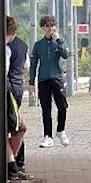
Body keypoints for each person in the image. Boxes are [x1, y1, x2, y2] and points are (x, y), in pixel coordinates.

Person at [28, 15, 71, 148]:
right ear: (42, 28)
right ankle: (48, 136)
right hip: (43, 79)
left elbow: (65, 54)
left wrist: (58, 40)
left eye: (52, 26)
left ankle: (61, 130)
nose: (50, 29)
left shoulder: (59, 41)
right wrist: (31, 82)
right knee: (46, 109)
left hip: (57, 77)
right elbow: (34, 63)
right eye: (47, 26)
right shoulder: (38, 45)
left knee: (62, 106)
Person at [6, 16, 31, 174]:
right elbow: (26, 67)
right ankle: (15, 161)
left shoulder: (6, 47)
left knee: (5, 126)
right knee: (14, 125)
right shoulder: (23, 45)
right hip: (18, 87)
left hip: (7, 90)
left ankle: (11, 162)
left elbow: (2, 69)